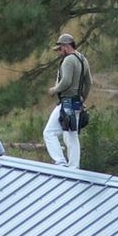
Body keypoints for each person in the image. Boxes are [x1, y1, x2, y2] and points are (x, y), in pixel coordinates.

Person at [43, 32, 91, 169]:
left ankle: (60, 162)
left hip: (67, 103)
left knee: (49, 132)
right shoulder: (83, 59)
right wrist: (82, 98)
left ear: (66, 46)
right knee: (71, 135)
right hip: (76, 103)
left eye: (60, 49)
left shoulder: (69, 60)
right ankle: (74, 167)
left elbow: (66, 82)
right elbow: (89, 83)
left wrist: (54, 90)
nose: (59, 52)